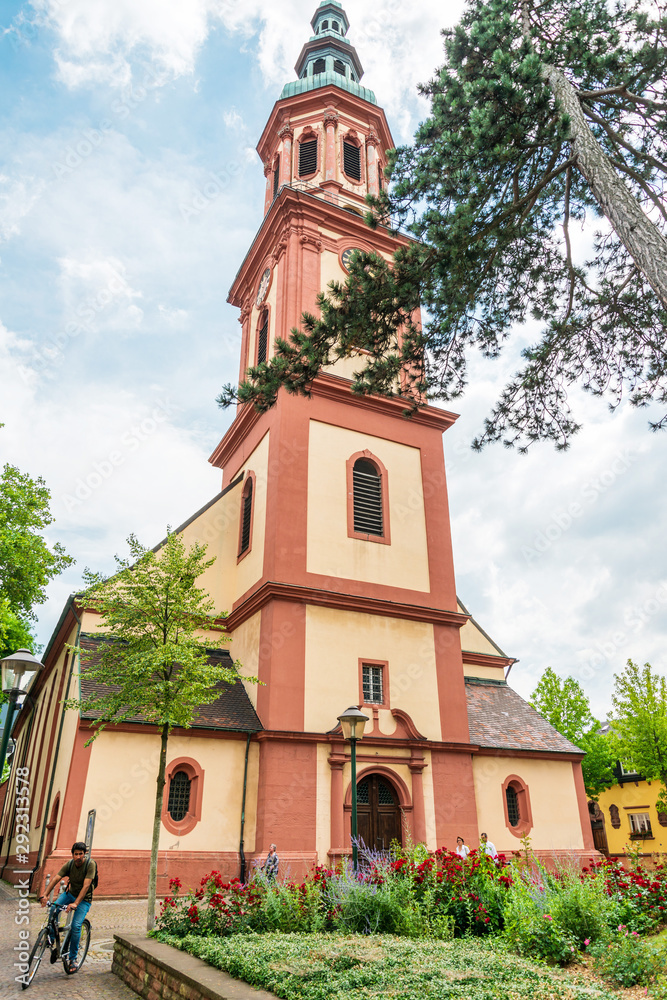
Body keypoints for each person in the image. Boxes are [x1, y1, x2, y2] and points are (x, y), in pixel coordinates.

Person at [39, 842, 96, 972]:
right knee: (54, 908)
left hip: (84, 900)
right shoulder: (70, 864)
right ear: (72, 855)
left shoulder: (90, 865)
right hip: (69, 894)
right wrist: (45, 895)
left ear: (84, 854)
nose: (78, 857)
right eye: (76, 854)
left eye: (81, 854)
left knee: (76, 926)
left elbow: (86, 886)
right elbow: (56, 878)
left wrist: (76, 903)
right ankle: (51, 938)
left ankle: (73, 959)